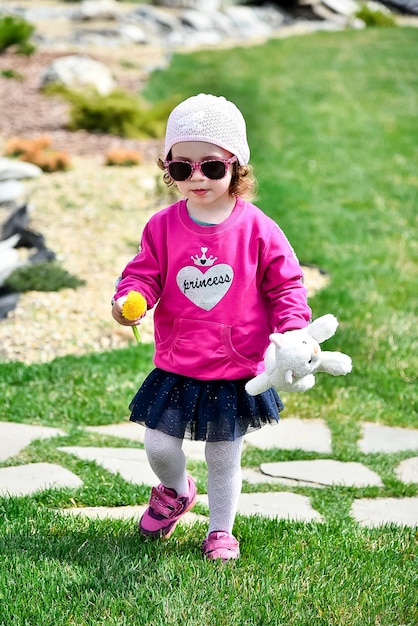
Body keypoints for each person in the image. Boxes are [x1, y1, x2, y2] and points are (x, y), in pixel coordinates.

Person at [111, 93, 311, 561]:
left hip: (235, 366)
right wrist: (130, 300)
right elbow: (143, 274)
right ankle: (177, 491)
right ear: (169, 170)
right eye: (182, 169)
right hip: (179, 363)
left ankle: (221, 530)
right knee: (159, 445)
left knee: (224, 456)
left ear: (236, 166)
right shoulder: (162, 226)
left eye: (211, 167)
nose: (196, 178)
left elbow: (286, 285)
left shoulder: (257, 229)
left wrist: (294, 330)